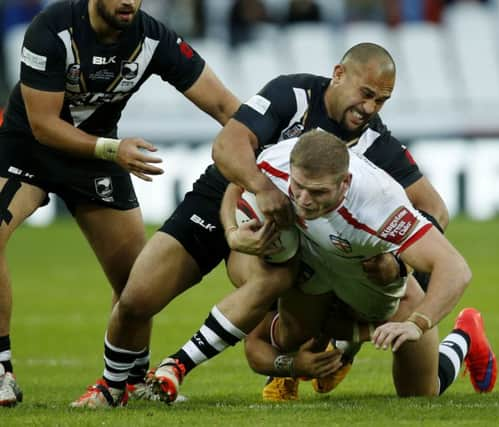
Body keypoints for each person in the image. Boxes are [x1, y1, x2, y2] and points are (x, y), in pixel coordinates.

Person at [75, 41, 447, 407]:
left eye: (380, 101)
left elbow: (434, 209)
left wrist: (400, 262)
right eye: (365, 93)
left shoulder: (375, 143)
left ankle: (189, 367)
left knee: (279, 286)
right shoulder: (293, 94)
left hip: (283, 235)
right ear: (338, 74)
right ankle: (115, 386)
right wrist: (257, 193)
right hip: (223, 197)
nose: (369, 108)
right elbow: (227, 146)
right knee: (136, 299)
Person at [0, 0, 239, 408]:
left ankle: (130, 380)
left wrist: (264, 147)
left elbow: (222, 105)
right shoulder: (50, 28)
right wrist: (112, 150)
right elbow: (43, 125)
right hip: (29, 150)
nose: (129, 1)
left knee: (138, 285)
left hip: (96, 159)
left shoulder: (152, 37)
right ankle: (1, 370)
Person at [226, 130, 495, 400]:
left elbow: (455, 268)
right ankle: (337, 347)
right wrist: (232, 233)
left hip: (389, 297)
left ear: (345, 183)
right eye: (299, 187)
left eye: (318, 191)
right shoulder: (279, 162)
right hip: (326, 282)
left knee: (420, 395)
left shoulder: (379, 205)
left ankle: (464, 337)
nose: (304, 199)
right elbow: (233, 184)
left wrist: (416, 323)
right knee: (289, 336)